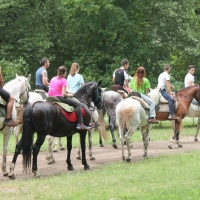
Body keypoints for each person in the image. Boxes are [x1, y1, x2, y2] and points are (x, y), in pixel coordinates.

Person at [48, 66, 90, 130]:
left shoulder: (53, 78)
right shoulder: (64, 80)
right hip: (58, 97)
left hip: (50, 97)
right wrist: (70, 95)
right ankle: (80, 124)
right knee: (78, 104)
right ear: (64, 73)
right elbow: (63, 94)